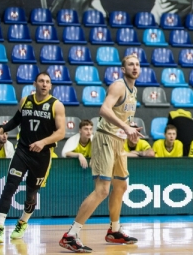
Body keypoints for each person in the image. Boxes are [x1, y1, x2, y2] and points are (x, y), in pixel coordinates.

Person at [60, 54, 143, 253]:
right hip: (105, 139)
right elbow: (104, 110)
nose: (134, 67)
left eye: (137, 64)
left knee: (121, 186)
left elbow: (122, 116)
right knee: (102, 190)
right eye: (130, 64)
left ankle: (114, 231)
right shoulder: (118, 86)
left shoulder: (134, 90)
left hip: (119, 141)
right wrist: (126, 127)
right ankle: (70, 235)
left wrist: (130, 129)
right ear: (123, 69)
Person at [0, 72, 65, 242]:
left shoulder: (56, 105)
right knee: (9, 187)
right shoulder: (25, 101)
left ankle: (23, 222)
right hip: (23, 151)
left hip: (42, 155)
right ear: (35, 84)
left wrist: (43, 142)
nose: (44, 84)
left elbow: (61, 132)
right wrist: (0, 130)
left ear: (51, 86)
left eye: (47, 82)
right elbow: (15, 121)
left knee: (31, 194)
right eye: (41, 81)